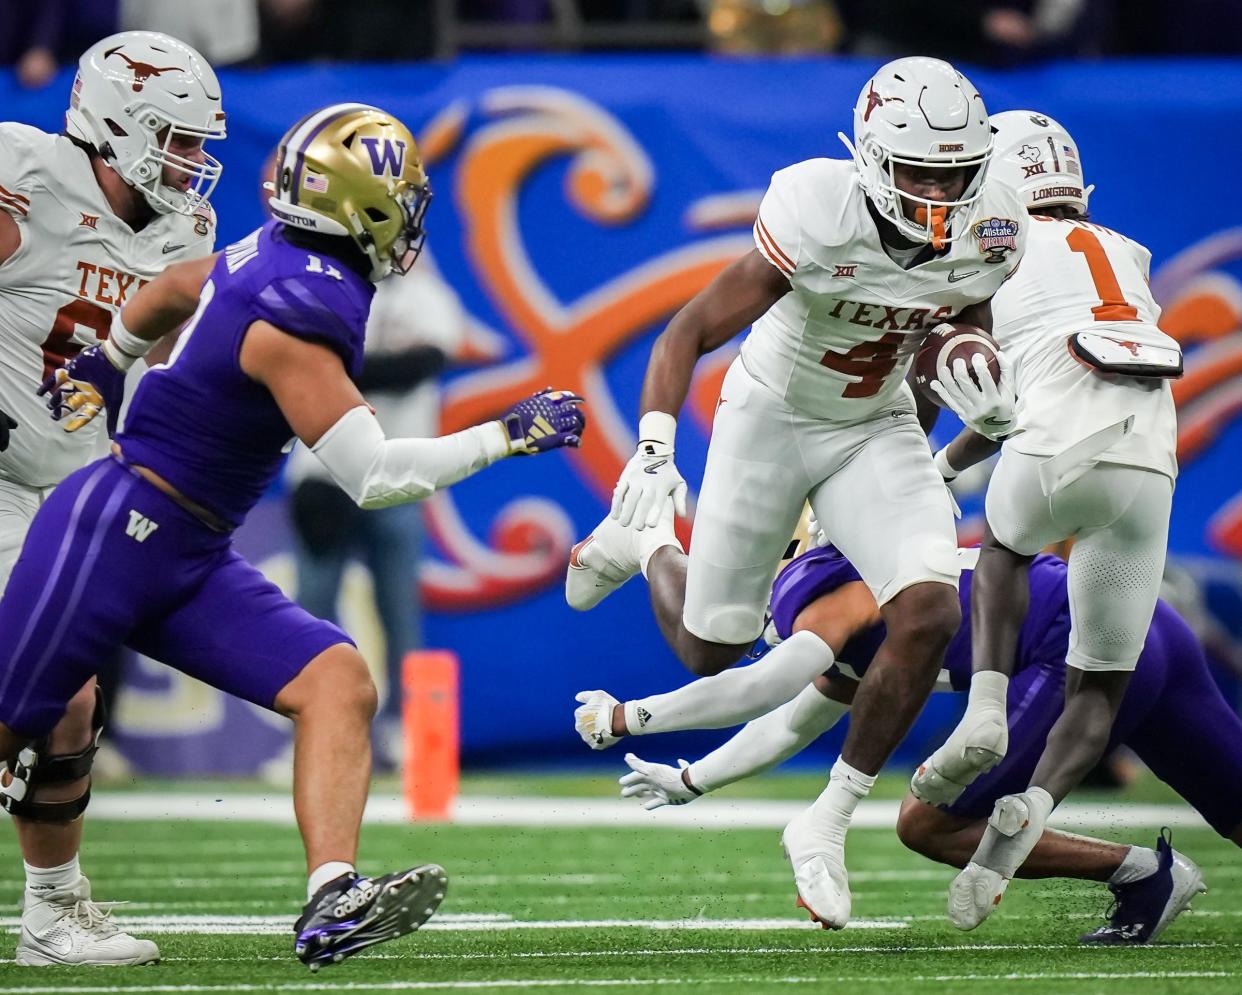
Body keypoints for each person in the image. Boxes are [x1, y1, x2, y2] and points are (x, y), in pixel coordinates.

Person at [0, 102, 585, 969]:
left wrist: (111, 359)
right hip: (115, 529)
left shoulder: (277, 257)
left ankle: (330, 897)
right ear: (358, 207)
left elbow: (170, 287)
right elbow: (375, 476)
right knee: (20, 722)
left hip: (189, 548)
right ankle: (53, 911)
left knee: (336, 680)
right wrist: (509, 434)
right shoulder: (296, 310)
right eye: (399, 198)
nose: (411, 216)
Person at [569, 56, 1025, 929]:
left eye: (954, 173)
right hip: (771, 414)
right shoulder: (821, 209)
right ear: (872, 158)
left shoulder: (996, 222)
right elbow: (691, 326)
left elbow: (961, 322)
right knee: (710, 648)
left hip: (875, 423)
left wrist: (978, 373)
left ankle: (827, 818)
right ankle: (651, 537)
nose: (938, 192)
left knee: (929, 608)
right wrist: (656, 445)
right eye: (920, 170)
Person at [596, 541, 1230, 944]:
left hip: (1077, 649)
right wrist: (692, 779)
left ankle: (1145, 873)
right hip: (1144, 624)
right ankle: (1149, 878)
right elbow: (791, 719)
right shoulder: (862, 597)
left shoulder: (816, 590)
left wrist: (630, 715)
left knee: (927, 822)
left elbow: (761, 686)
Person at [906, 111, 1183, 929]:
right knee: (1096, 686)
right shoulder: (1127, 251)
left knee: (1002, 553)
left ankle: (984, 708)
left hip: (1053, 444)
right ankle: (1031, 806)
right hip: (1150, 464)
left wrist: (936, 466)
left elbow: (984, 378)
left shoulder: (994, 242)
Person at [0, 30, 225, 966]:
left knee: (67, 701)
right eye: (174, 140)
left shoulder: (185, 232)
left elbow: (161, 362)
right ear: (118, 124)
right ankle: (56, 905)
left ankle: (53, 912)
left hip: (77, 487)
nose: (191, 165)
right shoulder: (24, 175)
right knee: (61, 689)